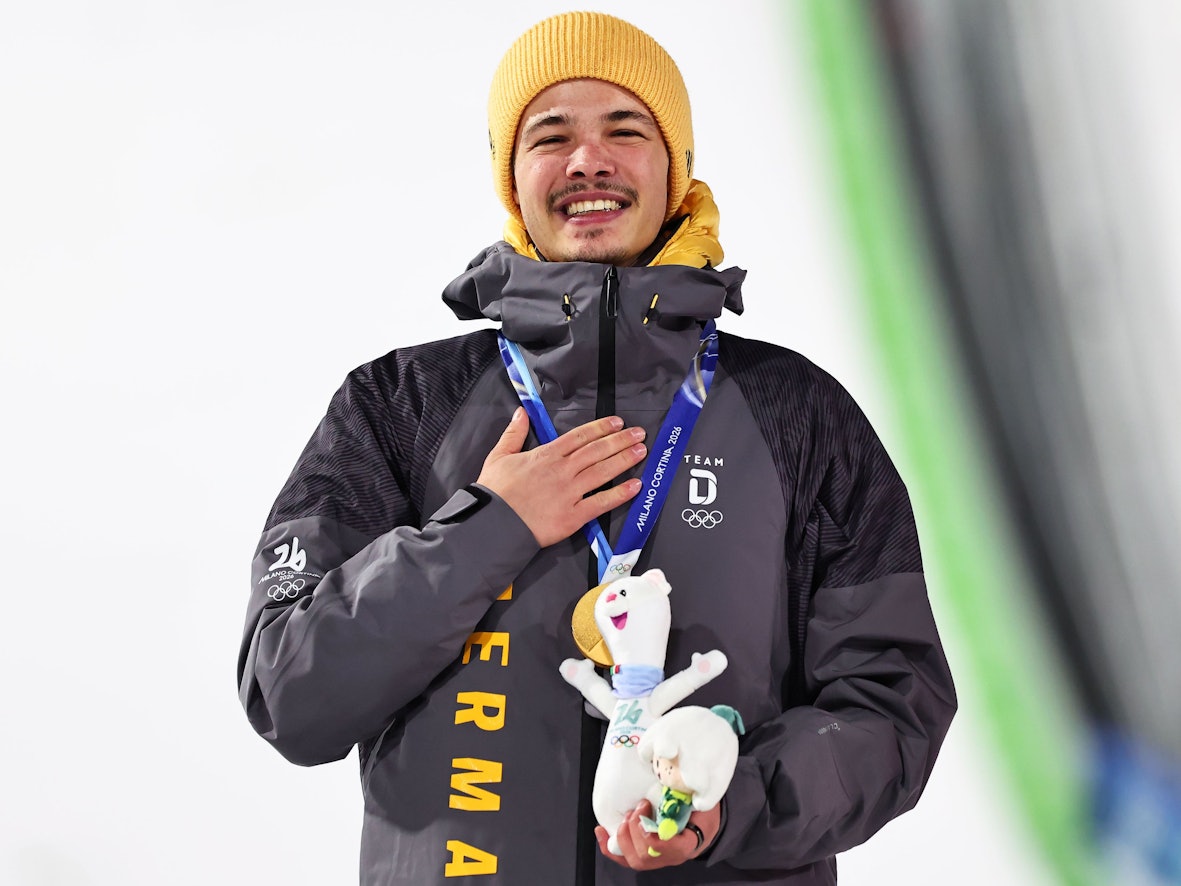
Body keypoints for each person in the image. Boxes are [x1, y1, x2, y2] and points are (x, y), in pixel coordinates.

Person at [237, 12, 956, 885]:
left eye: (625, 130)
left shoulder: (797, 413)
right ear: (511, 177)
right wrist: (487, 529)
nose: (588, 160)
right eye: (551, 136)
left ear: (673, 167)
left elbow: (893, 703)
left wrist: (732, 804)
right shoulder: (399, 405)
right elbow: (291, 693)